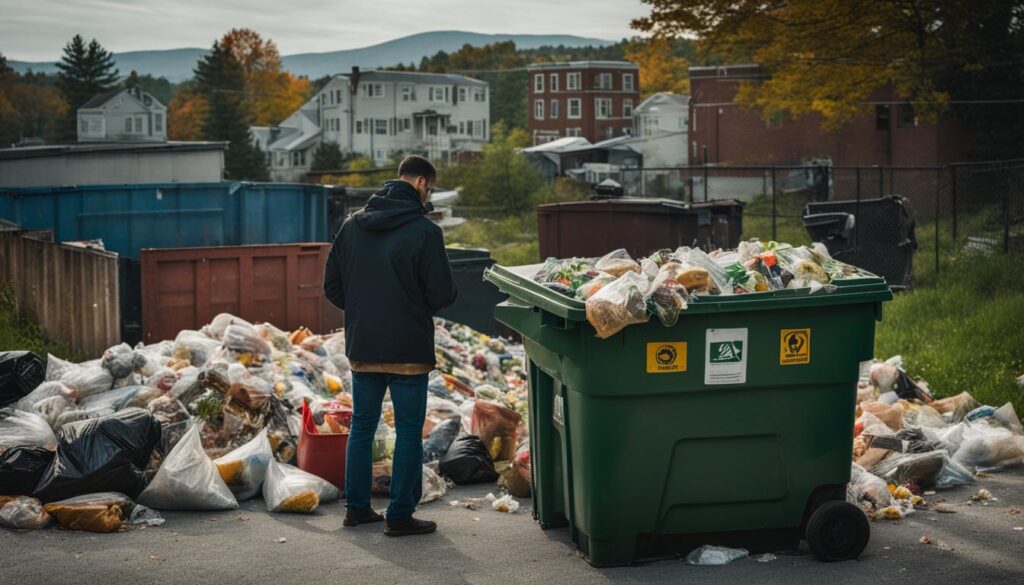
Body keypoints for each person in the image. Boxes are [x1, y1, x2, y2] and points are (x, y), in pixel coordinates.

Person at [323, 155, 457, 537]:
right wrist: (408, 306)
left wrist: (366, 309)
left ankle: (357, 509)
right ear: (419, 184)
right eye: (428, 188)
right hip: (409, 350)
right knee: (409, 432)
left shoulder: (351, 227)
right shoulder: (425, 233)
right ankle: (399, 515)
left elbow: (332, 287)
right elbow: (443, 293)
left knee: (362, 428)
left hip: (363, 346)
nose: (427, 195)